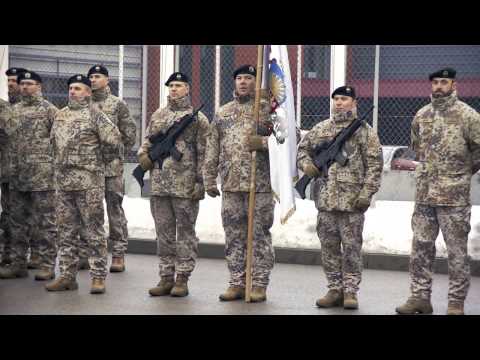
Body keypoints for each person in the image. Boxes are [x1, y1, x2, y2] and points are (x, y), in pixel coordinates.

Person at [395, 68, 480, 315]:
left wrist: (461, 175)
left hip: (454, 198)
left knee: (456, 252)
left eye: (444, 82)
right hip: (424, 196)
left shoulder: (468, 116)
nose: (439, 86)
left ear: (454, 84)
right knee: (420, 247)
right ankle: (419, 297)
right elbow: (417, 149)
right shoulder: (422, 115)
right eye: (435, 82)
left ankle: (456, 302)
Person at [297, 86, 383, 310]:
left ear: (354, 102)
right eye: (336, 99)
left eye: (344, 99)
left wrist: (366, 194)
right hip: (325, 201)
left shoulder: (364, 131)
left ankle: (351, 291)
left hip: (352, 202)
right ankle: (334, 289)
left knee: (352, 248)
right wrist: (307, 166)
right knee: (329, 247)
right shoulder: (321, 129)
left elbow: (375, 165)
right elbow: (302, 150)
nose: (339, 103)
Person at [203, 65, 274, 303]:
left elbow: (287, 139)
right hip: (232, 184)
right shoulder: (223, 112)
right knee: (233, 235)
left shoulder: (268, 110)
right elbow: (213, 146)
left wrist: (263, 143)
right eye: (239, 78)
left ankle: (259, 283)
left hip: (259, 185)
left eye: (248, 78)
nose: (243, 82)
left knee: (259, 235)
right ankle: (236, 282)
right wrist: (209, 178)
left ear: (256, 81)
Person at [45, 74, 121, 294]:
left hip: (89, 183)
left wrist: (97, 163)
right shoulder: (60, 115)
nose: (72, 92)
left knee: (93, 230)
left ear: (88, 92)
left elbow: (114, 143)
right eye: (70, 88)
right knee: (65, 231)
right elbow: (53, 145)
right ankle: (67, 276)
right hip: (64, 184)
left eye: (78, 88)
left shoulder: (97, 115)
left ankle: (98, 277)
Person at [137, 72, 209, 297]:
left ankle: (182, 279)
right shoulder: (159, 114)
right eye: (171, 86)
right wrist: (143, 156)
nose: (174, 89)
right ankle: (165, 277)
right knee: (163, 233)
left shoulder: (198, 120)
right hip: (159, 185)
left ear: (188, 89)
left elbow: (204, 153)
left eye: (179, 85)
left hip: (185, 187)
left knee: (185, 233)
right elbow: (148, 140)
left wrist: (200, 182)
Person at [75, 65, 136, 273]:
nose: (93, 80)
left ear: (107, 80)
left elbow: (129, 135)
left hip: (111, 168)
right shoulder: (83, 104)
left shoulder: (117, 104)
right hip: (88, 168)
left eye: (97, 76)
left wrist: (114, 153)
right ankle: (86, 252)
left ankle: (118, 253)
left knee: (114, 209)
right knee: (88, 211)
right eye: (90, 76)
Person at [0, 71, 58, 281]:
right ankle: (18, 264)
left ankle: (47, 264)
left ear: (39, 86)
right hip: (17, 176)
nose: (24, 87)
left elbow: (60, 140)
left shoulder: (49, 110)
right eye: (22, 83)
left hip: (42, 178)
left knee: (45, 223)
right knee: (17, 223)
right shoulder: (12, 110)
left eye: (29, 83)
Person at [0, 67, 27, 268]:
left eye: (14, 81)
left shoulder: (28, 110)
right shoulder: (4, 108)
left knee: (27, 214)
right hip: (6, 171)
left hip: (27, 172)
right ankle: (8, 254)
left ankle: (31, 255)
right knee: (8, 213)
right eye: (8, 81)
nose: (10, 85)